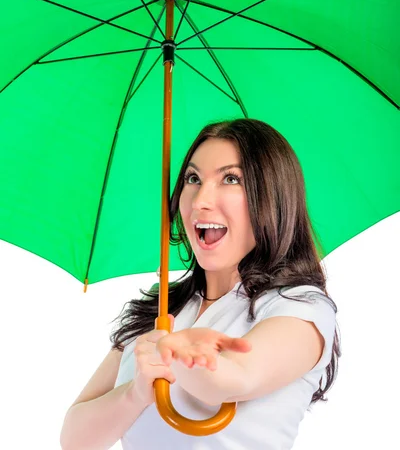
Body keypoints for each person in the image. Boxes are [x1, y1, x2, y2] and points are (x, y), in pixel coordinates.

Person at [60, 118, 341, 450]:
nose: (200, 201)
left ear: (272, 198)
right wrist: (135, 393)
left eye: (230, 179)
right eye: (193, 178)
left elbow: (234, 379)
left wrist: (178, 353)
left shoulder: (301, 308)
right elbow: (76, 439)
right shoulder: (161, 306)